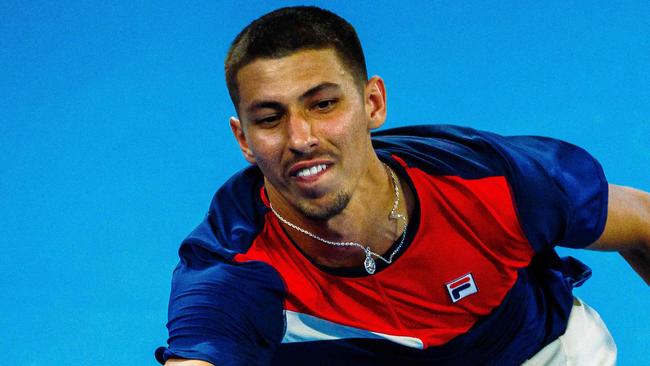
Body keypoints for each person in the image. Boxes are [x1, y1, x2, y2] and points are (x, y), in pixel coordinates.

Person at [156, 6, 649, 366]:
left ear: (373, 103)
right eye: (269, 118)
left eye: (323, 104)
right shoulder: (233, 262)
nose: (300, 138)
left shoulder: (489, 179)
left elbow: (643, 222)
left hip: (538, 355)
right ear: (243, 139)